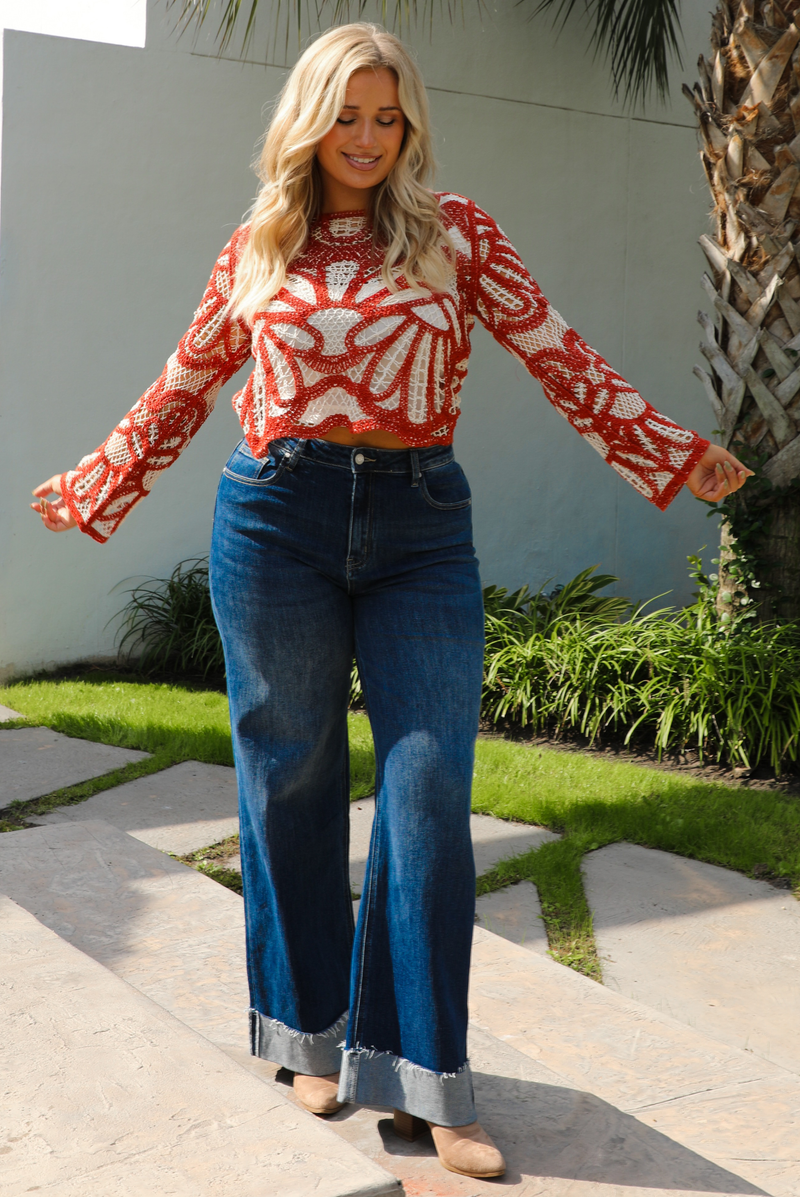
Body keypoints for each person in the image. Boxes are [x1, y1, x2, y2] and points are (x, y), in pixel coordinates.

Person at [31, 22, 752, 1180]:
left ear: (409, 123)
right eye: (346, 115)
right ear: (307, 125)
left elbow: (555, 349)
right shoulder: (260, 243)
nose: (367, 138)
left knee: (426, 800)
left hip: (419, 525)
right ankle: (306, 1036)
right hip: (274, 521)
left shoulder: (457, 234)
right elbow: (188, 377)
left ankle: (430, 1084)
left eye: (387, 116)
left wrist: (664, 451)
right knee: (288, 780)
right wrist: (101, 478)